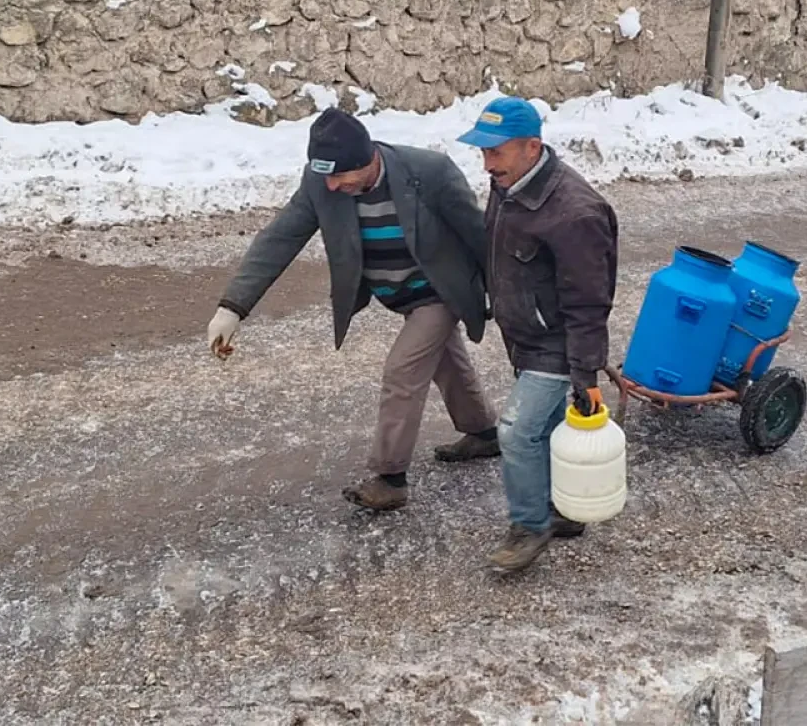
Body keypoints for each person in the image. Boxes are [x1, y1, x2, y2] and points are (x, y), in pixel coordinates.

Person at [207, 107, 500, 511]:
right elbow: (279, 238)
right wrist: (233, 307)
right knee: (445, 361)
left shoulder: (429, 172)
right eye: (323, 175)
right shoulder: (321, 184)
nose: (330, 185)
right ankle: (483, 433)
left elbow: (479, 235)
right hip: (395, 293)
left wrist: (505, 295)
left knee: (403, 371)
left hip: (440, 291)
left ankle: (390, 477)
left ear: (367, 161)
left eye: (339, 176)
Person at [457, 96, 619, 573]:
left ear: (532, 147)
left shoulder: (576, 213)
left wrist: (586, 373)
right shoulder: (508, 183)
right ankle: (564, 509)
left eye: (496, 152)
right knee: (547, 428)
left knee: (518, 432)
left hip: (557, 344)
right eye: (482, 153)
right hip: (525, 337)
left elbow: (590, 302)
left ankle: (530, 526)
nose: (487, 164)